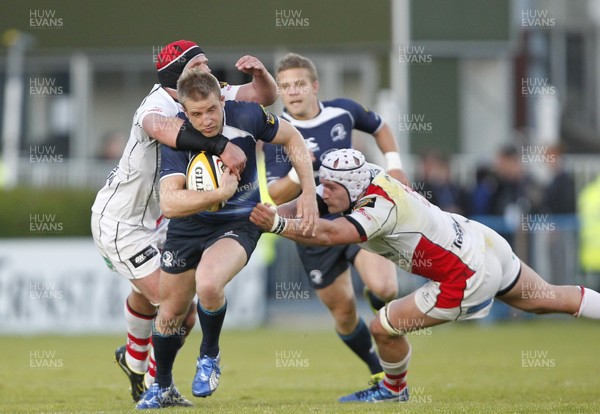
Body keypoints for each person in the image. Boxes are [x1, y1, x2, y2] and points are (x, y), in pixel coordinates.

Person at [250, 148, 600, 403]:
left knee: (382, 327)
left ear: (352, 187)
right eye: (323, 186)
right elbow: (312, 203)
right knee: (547, 299)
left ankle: (393, 389)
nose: (324, 195)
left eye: (330, 189)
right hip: (481, 241)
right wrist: (262, 213)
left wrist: (277, 225)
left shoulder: (378, 207)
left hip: (464, 274)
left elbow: (328, 234)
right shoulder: (360, 177)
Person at [91, 39, 277, 402]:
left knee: (171, 307)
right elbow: (166, 131)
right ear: (185, 72)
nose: (210, 70)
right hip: (122, 222)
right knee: (175, 305)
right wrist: (223, 145)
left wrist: (261, 74)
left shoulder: (204, 92)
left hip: (160, 216)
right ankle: (150, 376)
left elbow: (262, 96)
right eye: (203, 64)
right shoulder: (155, 106)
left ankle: (139, 363)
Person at [135, 69, 318, 409]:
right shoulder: (176, 136)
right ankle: (162, 388)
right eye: (195, 113)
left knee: (208, 282)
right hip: (188, 226)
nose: (205, 120)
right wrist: (218, 192)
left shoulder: (247, 115)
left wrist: (308, 192)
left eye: (211, 110)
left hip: (240, 221)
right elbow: (171, 205)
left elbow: (293, 138)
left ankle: (209, 355)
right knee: (170, 312)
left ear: (222, 100)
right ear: (184, 111)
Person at [262, 53, 403, 380]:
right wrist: (301, 169)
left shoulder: (343, 110)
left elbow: (379, 127)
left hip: (356, 216)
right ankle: (376, 368)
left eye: (299, 84)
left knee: (386, 287)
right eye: (285, 86)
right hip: (313, 229)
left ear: (315, 86)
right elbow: (277, 195)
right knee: (343, 313)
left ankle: (380, 304)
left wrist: (394, 164)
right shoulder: (276, 132)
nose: (293, 91)